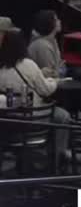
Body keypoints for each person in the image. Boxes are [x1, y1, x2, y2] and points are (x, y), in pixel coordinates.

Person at [0, 29, 70, 167]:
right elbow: (45, 90)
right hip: (36, 121)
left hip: (10, 123)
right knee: (63, 116)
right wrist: (54, 81)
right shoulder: (28, 64)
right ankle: (57, 158)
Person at [28, 9, 63, 76]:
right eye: (56, 20)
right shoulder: (42, 45)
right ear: (49, 23)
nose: (59, 21)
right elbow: (50, 73)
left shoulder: (52, 41)